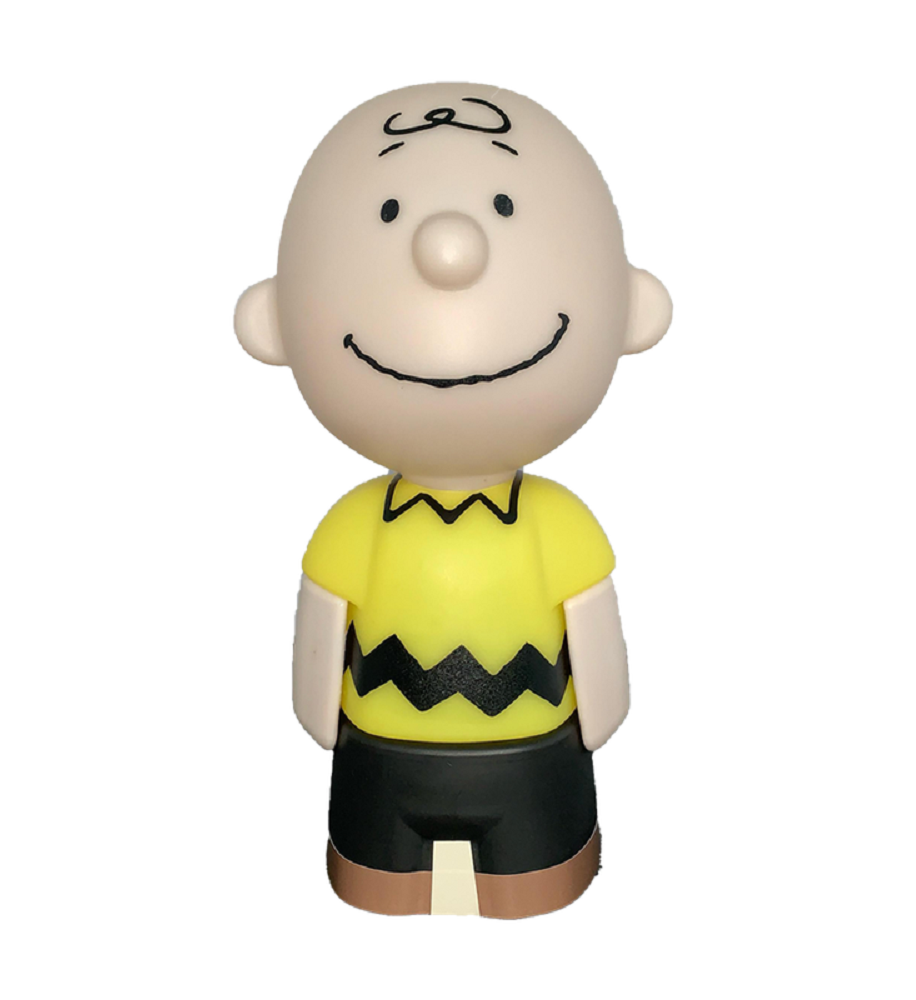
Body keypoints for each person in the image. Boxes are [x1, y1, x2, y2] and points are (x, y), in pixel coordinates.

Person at [234, 83, 672, 917]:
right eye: (389, 212)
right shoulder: (355, 526)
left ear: (633, 308)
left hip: (534, 757)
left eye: (504, 208)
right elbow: (323, 633)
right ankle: (390, 876)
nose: (448, 251)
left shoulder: (556, 525)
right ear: (273, 323)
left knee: (533, 887)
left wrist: (602, 716)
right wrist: (320, 719)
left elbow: (593, 635)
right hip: (380, 757)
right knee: (380, 885)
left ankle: (529, 875)